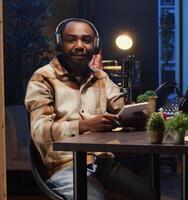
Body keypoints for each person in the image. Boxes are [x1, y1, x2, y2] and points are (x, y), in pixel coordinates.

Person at [25, 18, 155, 200]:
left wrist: (136, 115)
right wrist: (84, 126)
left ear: (95, 45)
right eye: (71, 39)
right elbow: (40, 133)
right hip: (63, 166)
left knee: (147, 196)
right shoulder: (42, 79)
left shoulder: (100, 77)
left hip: (101, 162)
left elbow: (123, 106)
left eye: (86, 40)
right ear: (59, 43)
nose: (80, 46)